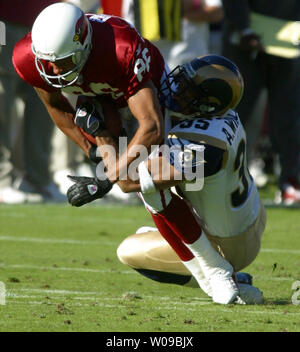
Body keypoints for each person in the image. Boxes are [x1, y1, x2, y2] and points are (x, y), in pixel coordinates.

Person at [66, 55, 266, 305]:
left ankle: (218, 274)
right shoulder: (225, 115)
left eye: (186, 87)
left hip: (230, 243)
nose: (175, 86)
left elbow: (129, 181)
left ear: (206, 103)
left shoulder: (202, 144)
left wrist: (102, 135)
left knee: (132, 241)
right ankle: (225, 271)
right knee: (148, 221)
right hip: (250, 218)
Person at [221, 0, 300, 205]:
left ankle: (290, 181)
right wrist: (243, 27)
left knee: (288, 116)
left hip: (289, 42)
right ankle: (219, 180)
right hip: (244, 43)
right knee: (232, 115)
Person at [0, 0, 68, 204]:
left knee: (45, 97)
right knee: (3, 98)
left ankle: (38, 178)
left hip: (47, 21)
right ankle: (2, 179)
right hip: (5, 20)